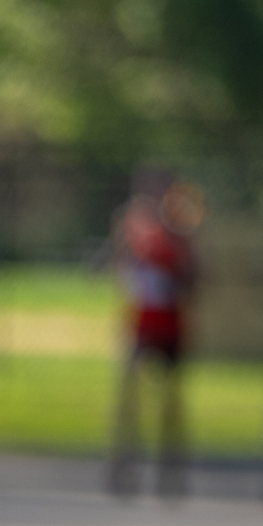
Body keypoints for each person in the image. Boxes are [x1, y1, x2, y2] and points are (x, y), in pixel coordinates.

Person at [108, 174, 203, 499]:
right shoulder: (136, 231)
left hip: (171, 328)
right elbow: (119, 266)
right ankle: (124, 467)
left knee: (170, 406)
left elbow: (194, 279)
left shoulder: (181, 234)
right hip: (140, 327)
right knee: (129, 402)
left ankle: (171, 472)